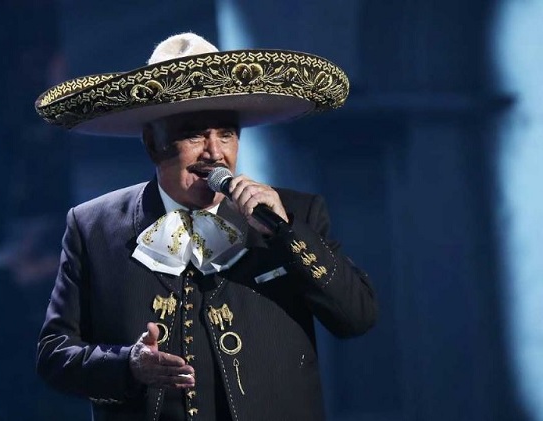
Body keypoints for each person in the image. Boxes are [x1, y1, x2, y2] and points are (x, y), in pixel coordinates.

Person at [34, 33, 378, 421]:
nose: (215, 152)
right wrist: (127, 365)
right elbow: (54, 354)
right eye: (194, 133)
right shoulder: (94, 226)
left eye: (226, 134)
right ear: (152, 143)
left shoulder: (294, 213)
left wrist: (285, 232)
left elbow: (357, 317)